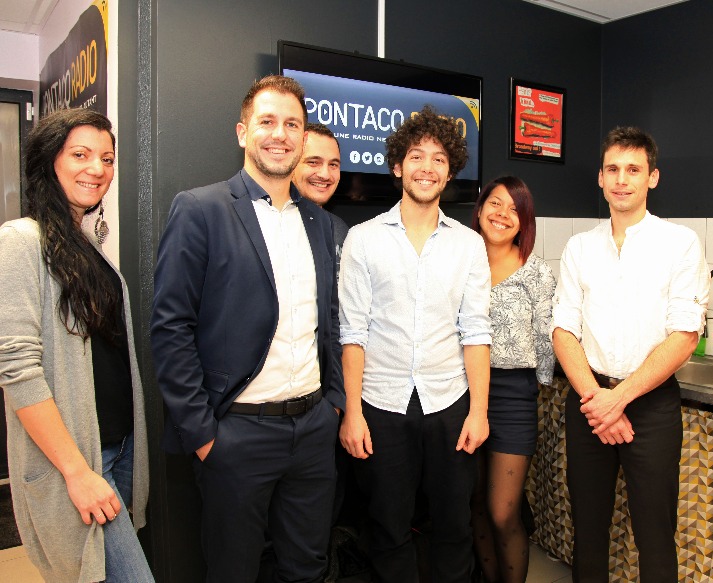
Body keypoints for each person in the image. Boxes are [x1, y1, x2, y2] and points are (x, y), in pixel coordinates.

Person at [151, 75, 344, 583]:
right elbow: (171, 328)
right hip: (236, 434)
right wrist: (204, 435)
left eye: (292, 125)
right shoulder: (200, 210)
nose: (280, 134)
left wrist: (334, 405)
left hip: (313, 430)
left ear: (303, 137)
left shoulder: (318, 222)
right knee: (233, 571)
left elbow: (330, 320)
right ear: (242, 132)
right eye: (268, 122)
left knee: (307, 568)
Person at [338, 105, 492, 583]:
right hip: (381, 406)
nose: (428, 167)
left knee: (454, 525)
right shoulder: (363, 240)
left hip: (450, 403)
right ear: (397, 166)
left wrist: (479, 412)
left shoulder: (468, 245)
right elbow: (353, 333)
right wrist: (352, 412)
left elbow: (476, 332)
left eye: (439, 159)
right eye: (417, 156)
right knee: (387, 528)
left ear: (450, 172)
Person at [0, 108, 151, 582]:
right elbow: (17, 369)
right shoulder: (21, 241)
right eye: (80, 155)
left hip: (117, 449)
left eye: (107, 158)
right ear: (50, 160)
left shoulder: (82, 243)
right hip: (81, 461)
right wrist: (77, 472)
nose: (97, 169)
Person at [552, 126, 709, 582]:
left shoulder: (680, 243)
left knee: (655, 534)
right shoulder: (580, 247)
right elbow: (563, 330)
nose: (622, 180)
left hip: (651, 405)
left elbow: (685, 334)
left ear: (652, 178)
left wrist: (618, 400)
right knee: (588, 529)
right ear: (601, 178)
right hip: (589, 400)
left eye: (634, 170)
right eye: (613, 169)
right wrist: (597, 399)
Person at [469, 176, 556, 583]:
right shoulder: (461, 263)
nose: (503, 214)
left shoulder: (536, 273)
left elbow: (546, 338)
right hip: (460, 392)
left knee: (503, 511)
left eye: (514, 209)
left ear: (525, 222)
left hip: (513, 396)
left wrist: (538, 386)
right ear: (480, 208)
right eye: (496, 203)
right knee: (474, 505)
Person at [292, 122, 349, 269]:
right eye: (313, 162)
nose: (325, 174)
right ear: (291, 164)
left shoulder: (340, 229)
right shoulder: (269, 225)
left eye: (333, 165)